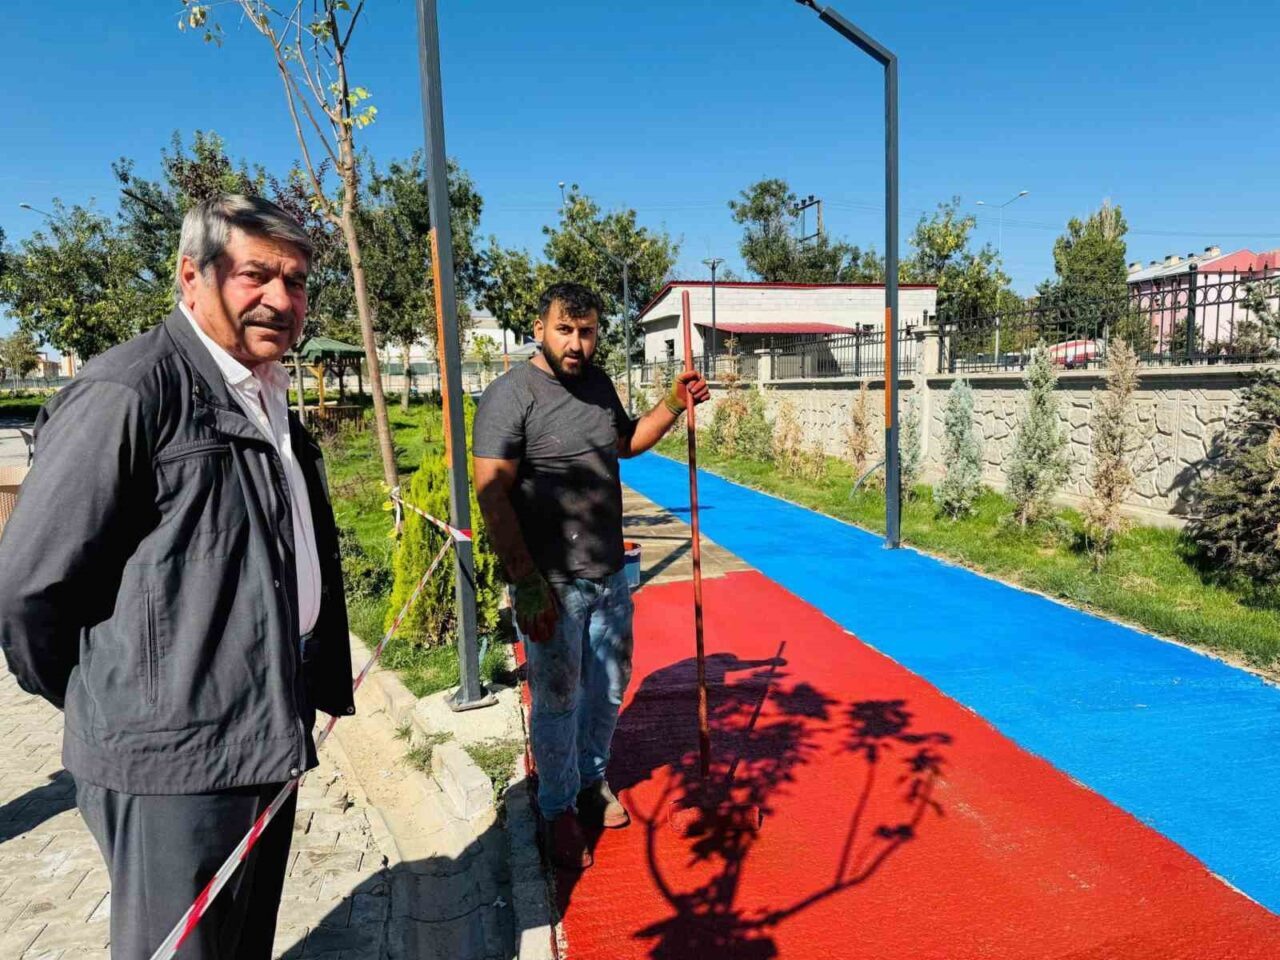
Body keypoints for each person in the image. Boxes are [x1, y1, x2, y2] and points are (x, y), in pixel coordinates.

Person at [0, 195, 355, 958]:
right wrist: (121, 703)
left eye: (296, 282)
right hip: (173, 765)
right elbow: (28, 591)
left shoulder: (264, 392)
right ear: (192, 276)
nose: (281, 299)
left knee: (242, 941)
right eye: (256, 275)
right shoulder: (129, 392)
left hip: (267, 730)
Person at [473, 281, 710, 870]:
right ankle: (555, 808)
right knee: (558, 697)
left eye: (587, 332)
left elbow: (624, 443)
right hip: (551, 580)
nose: (576, 344)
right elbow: (492, 493)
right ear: (539, 330)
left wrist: (673, 404)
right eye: (564, 330)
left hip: (610, 572)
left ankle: (590, 782)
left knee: (607, 688)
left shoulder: (599, 384)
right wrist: (526, 581)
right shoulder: (510, 396)